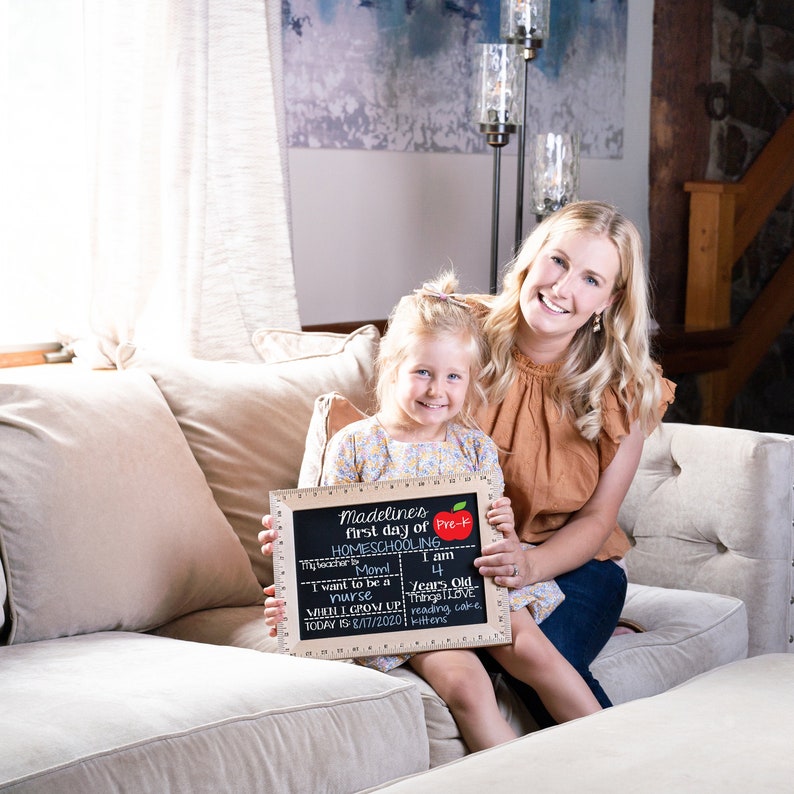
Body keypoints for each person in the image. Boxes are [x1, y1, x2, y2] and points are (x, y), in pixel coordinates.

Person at [259, 272, 601, 752]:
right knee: (466, 686)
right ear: (391, 368)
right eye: (423, 372)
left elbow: (493, 533)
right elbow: (327, 540)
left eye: (453, 376)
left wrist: (502, 528)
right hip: (406, 609)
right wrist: (294, 568)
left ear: (470, 381)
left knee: (539, 655)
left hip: (475, 586)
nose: (437, 389)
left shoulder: (475, 449)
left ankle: (617, 755)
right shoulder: (355, 446)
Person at [469, 200, 675, 723]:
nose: (562, 288)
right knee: (478, 659)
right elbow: (384, 444)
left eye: (590, 279)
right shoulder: (457, 336)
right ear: (533, 257)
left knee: (532, 652)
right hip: (467, 564)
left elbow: (598, 517)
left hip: (573, 567)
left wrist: (531, 566)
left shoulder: (626, 388)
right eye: (557, 261)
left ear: (610, 299)